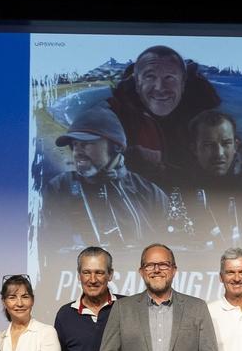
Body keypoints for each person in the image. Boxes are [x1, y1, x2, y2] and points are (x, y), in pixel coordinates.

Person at [40, 106, 169, 249]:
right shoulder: (59, 188)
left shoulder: (151, 194)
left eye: (86, 144)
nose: (77, 152)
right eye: (75, 145)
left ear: (115, 147)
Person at [105, 45, 221, 183]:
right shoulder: (119, 112)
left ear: (183, 84)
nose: (160, 87)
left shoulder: (200, 107)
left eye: (170, 77)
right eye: (150, 77)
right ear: (136, 84)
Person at [181, 110, 242, 253]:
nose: (219, 153)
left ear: (235, 146)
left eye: (226, 144)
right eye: (208, 145)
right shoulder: (179, 189)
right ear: (194, 148)